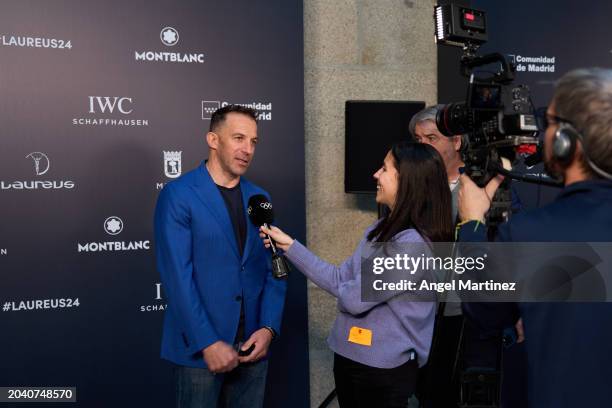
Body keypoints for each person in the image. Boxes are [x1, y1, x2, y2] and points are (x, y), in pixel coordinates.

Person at [457, 67, 612, 407]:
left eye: (550, 121)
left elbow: (482, 310)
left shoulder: (530, 235)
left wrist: (471, 224)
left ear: (564, 142)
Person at [260, 142, 454, 408]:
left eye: (384, 169)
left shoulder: (413, 245)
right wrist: (290, 246)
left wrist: (349, 292)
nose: (375, 174)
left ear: (407, 180)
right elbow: (340, 279)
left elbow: (352, 299)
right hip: (349, 359)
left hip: (381, 374)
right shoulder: (378, 230)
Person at [154, 104, 287, 408]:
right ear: (213, 140)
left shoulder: (259, 198)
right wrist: (208, 342)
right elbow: (177, 277)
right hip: (201, 351)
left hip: (253, 348)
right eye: (239, 138)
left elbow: (275, 268)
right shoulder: (179, 195)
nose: (247, 149)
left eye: (253, 142)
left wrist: (268, 327)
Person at [410, 106, 526, 408]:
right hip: (424, 317)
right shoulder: (413, 186)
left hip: (474, 315)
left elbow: (513, 248)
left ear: (457, 141)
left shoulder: (490, 184)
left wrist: (519, 305)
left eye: (431, 138)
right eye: (418, 139)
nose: (423, 146)